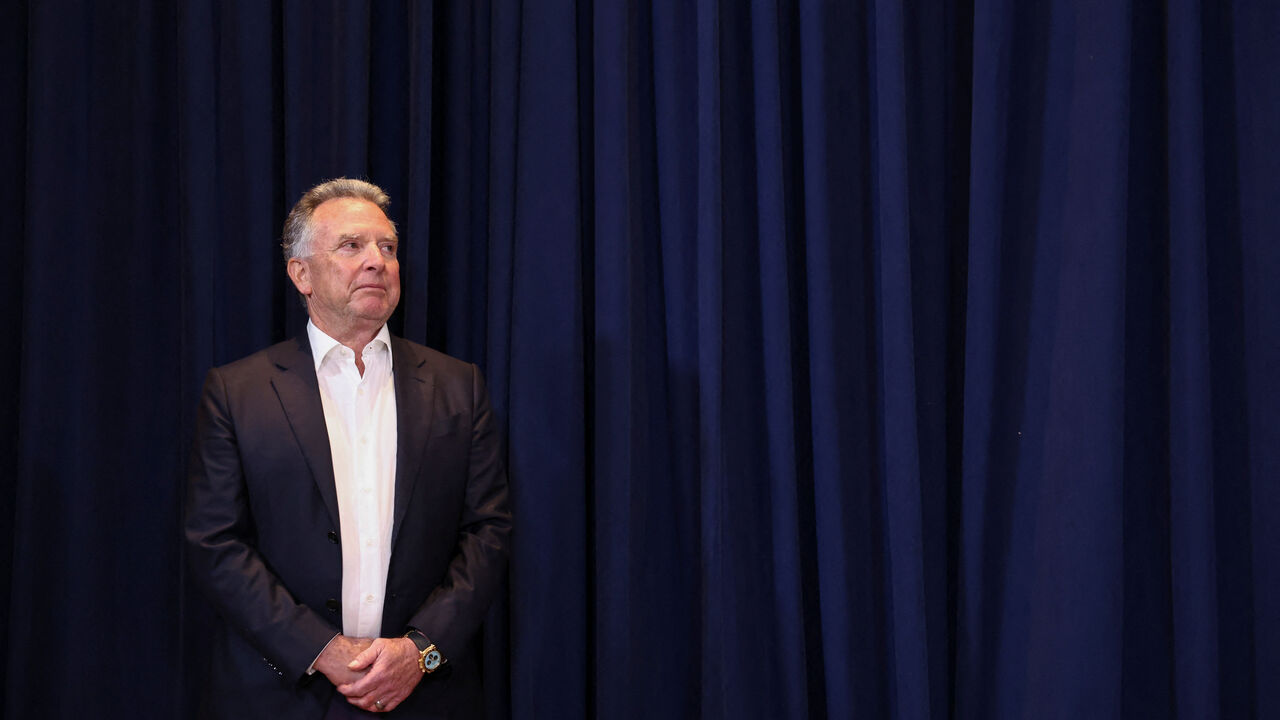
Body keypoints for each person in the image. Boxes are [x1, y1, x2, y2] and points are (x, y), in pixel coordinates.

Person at [185, 178, 511, 718]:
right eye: (351, 246)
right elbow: (215, 542)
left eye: (387, 247)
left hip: (424, 695)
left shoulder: (458, 386)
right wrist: (319, 650)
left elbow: (488, 531)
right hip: (282, 695)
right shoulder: (237, 392)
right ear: (301, 274)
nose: (377, 261)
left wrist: (421, 650)